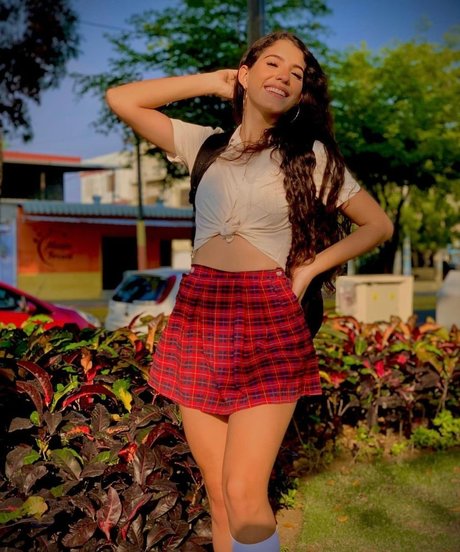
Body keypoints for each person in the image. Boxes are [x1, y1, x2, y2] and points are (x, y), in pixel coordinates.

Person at [106, 31, 393, 552]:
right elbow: (122, 98)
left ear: (302, 93)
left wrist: (309, 269)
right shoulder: (205, 145)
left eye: (297, 73)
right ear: (245, 73)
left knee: (243, 492)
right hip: (200, 315)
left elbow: (377, 225)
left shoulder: (311, 156)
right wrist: (213, 82)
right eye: (272, 64)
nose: (284, 76)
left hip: (268, 317)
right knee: (219, 497)